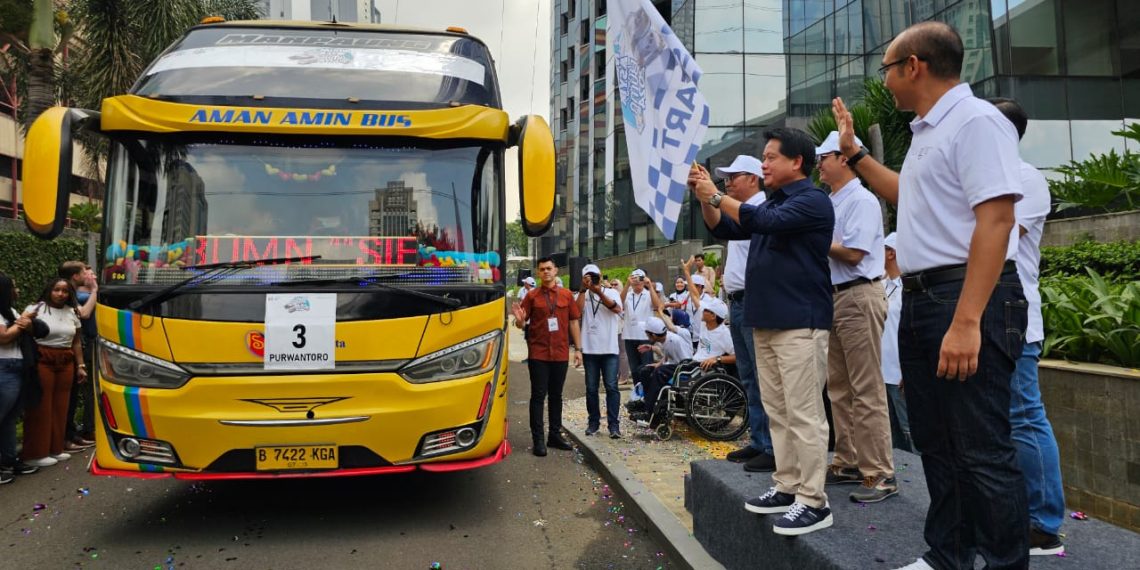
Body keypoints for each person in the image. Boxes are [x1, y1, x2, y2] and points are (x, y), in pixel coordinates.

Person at [832, 21, 1028, 569]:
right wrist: (854, 155)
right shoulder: (928, 131)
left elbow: (997, 221)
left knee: (981, 448)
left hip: (962, 296)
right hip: (924, 298)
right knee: (937, 443)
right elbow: (910, 195)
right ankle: (949, 554)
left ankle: (1005, 562)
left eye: (887, 69)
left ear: (913, 66)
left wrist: (967, 321)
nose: (885, 81)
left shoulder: (976, 121)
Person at [689, 127, 836, 537]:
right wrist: (705, 198)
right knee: (778, 410)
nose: (764, 164)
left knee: (804, 413)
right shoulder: (772, 203)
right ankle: (787, 485)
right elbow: (725, 228)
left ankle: (814, 500)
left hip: (800, 322)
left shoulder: (812, 200)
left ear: (797, 162)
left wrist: (716, 196)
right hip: (766, 320)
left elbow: (764, 221)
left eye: (771, 157)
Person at [989, 96, 1066, 557]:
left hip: (1014, 318)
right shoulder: (982, 179)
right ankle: (1011, 513)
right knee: (995, 421)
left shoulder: (1026, 179)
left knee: (1023, 415)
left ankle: (1043, 522)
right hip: (978, 316)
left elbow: (995, 241)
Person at [815, 131, 897, 503]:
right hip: (835, 296)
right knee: (839, 387)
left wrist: (812, 238)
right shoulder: (832, 200)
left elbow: (854, 253)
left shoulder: (861, 199)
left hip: (858, 293)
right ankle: (847, 461)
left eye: (824, 157)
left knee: (866, 388)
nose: (819, 164)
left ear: (844, 158)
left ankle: (879, 471)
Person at [713, 155, 776, 473]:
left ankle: (773, 446)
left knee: (764, 377)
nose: (727, 183)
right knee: (749, 376)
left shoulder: (762, 210)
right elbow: (714, 223)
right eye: (725, 179)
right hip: (736, 302)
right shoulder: (739, 213)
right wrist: (705, 196)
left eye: (733, 177)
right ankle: (759, 440)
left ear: (753, 178)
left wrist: (712, 196)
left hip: (756, 299)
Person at [512, 257, 582, 457]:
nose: (546, 272)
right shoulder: (532, 296)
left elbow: (574, 322)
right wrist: (519, 321)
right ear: (538, 273)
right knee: (538, 396)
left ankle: (555, 435)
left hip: (560, 353)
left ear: (556, 271)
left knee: (556, 396)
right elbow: (521, 322)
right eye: (542, 269)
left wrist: (578, 349)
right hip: (539, 353)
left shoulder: (566, 295)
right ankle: (538, 440)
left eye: (549, 268)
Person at [21, 278, 86, 468]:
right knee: (41, 406)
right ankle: (35, 453)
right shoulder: (35, 308)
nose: (60, 294)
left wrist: (81, 365)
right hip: (42, 358)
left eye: (65, 291)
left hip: (66, 360)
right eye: (57, 290)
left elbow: (76, 342)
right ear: (49, 290)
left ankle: (55, 449)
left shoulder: (72, 312)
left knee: (61, 406)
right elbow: (23, 329)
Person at [0, 274, 44, 482]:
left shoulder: (10, 311)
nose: (17, 291)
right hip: (4, 368)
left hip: (18, 367)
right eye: (13, 287)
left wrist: (27, 321)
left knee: (10, 418)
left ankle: (9, 460)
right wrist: (23, 320)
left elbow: (30, 331)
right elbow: (4, 337)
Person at [576, 263, 624, 438]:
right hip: (590, 349)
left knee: (611, 387)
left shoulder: (612, 292)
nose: (591, 280)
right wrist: (583, 290)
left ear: (600, 276)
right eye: (587, 277)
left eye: (594, 276)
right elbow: (576, 312)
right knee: (591, 389)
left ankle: (614, 425)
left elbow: (617, 309)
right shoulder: (582, 294)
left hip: (609, 349)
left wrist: (599, 292)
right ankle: (593, 423)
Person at [880, 233, 915, 453]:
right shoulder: (882, 285)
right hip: (880, 374)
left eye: (881, 248)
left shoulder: (908, 288)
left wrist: (909, 369)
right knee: (888, 435)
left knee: (910, 430)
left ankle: (920, 474)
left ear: (891, 253)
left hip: (899, 374)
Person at [59, 262, 97, 452]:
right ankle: (66, 436)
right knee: (72, 394)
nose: (87, 275)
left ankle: (71, 433)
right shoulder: (69, 293)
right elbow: (84, 313)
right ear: (75, 276)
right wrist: (95, 290)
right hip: (68, 348)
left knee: (74, 395)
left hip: (76, 346)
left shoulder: (73, 293)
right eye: (84, 272)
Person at [625, 315, 693, 421]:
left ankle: (651, 412)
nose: (646, 336)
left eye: (647, 333)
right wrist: (658, 362)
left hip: (684, 369)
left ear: (653, 335)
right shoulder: (665, 339)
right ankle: (646, 402)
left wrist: (661, 366)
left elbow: (686, 361)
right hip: (675, 366)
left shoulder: (674, 340)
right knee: (644, 371)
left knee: (658, 373)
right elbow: (667, 356)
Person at [621, 269, 658, 379]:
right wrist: (627, 285)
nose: (637, 281)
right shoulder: (627, 294)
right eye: (634, 278)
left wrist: (650, 286)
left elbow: (657, 306)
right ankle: (637, 387)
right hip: (629, 335)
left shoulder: (649, 294)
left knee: (646, 366)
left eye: (640, 278)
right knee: (634, 367)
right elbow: (618, 303)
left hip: (644, 336)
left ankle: (648, 388)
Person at [679, 263, 712, 350]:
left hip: (703, 337)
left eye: (691, 286)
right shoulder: (687, 296)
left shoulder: (708, 300)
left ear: (700, 287)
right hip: (690, 336)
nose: (688, 288)